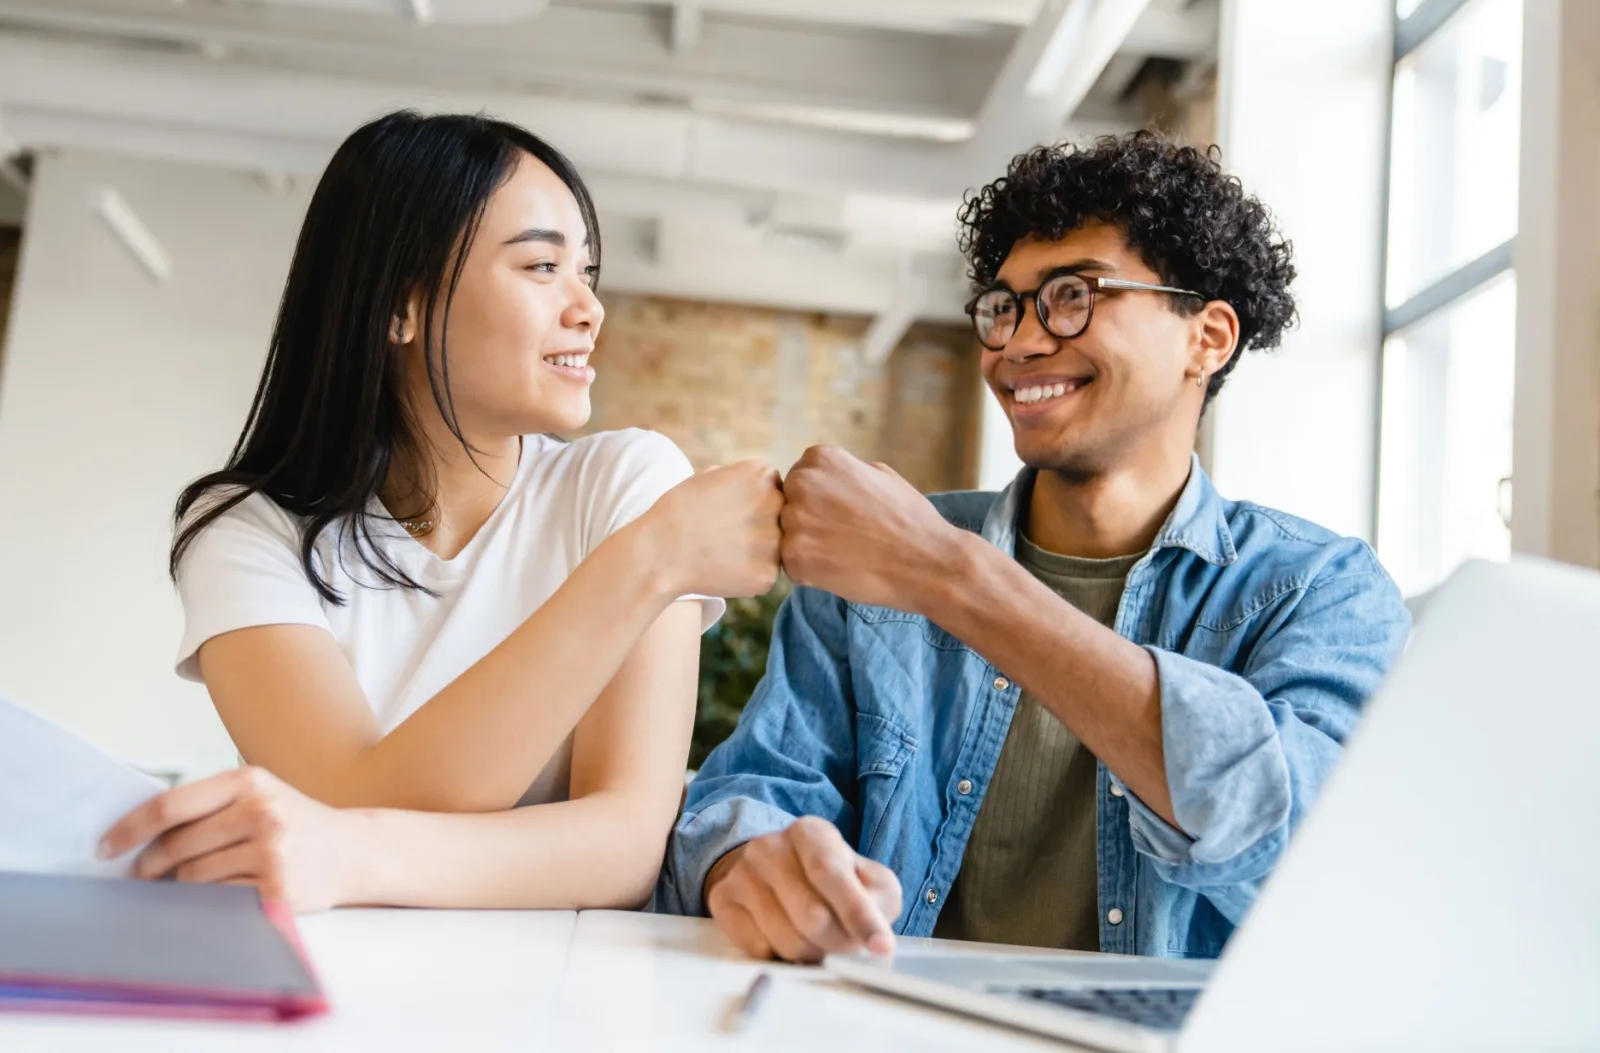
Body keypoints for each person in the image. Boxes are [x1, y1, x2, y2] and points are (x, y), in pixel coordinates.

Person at [657, 132, 1411, 962]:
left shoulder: (1320, 590)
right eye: (1004, 305)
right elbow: (756, 790)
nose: (1017, 343)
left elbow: (1296, 842)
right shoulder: (868, 562)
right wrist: (749, 864)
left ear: (1209, 337)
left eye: (1073, 296)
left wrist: (947, 576)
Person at [97, 111, 784, 911]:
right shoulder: (245, 532)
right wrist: (644, 565)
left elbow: (623, 846)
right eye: (540, 267)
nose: (588, 308)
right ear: (400, 305)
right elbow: (345, 804)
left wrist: (354, 851)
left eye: (586, 273)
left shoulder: (626, 483)